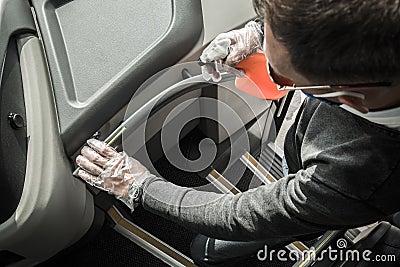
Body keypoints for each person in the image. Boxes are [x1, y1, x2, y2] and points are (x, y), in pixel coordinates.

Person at [76, 0, 400, 266]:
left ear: (348, 97)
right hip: (310, 159)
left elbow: (236, 215)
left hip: (331, 192)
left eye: (279, 75)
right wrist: (259, 34)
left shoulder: (358, 174)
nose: (263, 63)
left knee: (221, 244)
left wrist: (138, 186)